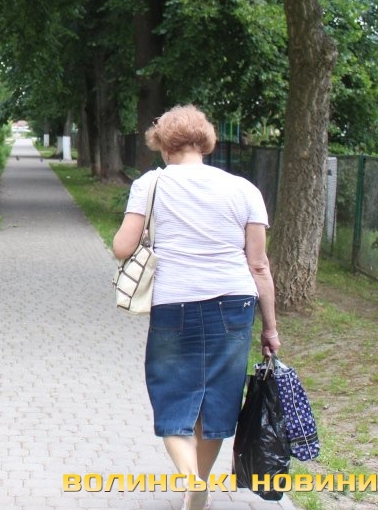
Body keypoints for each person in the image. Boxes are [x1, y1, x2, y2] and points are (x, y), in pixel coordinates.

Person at [112, 105, 280, 510]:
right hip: (234, 303)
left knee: (172, 397)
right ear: (205, 142)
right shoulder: (244, 190)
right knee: (218, 400)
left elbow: (122, 247)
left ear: (163, 145)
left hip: (175, 303)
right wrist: (270, 328)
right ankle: (199, 483)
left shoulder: (150, 185)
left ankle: (191, 481)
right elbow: (259, 265)